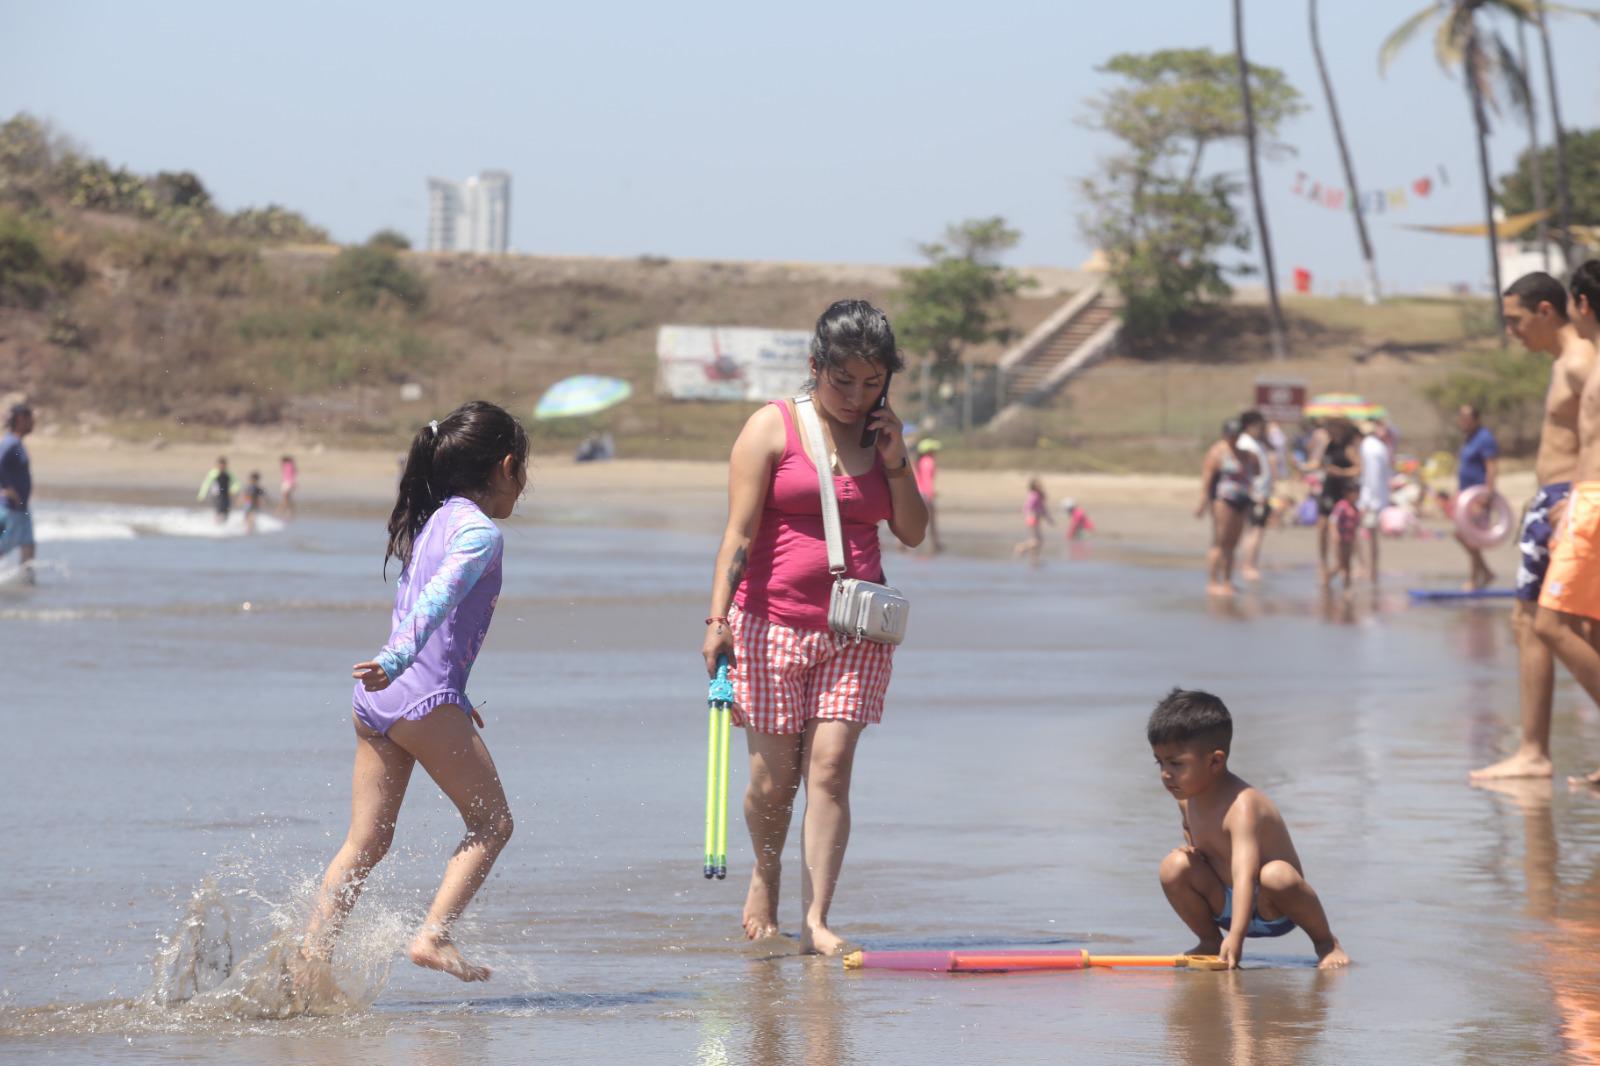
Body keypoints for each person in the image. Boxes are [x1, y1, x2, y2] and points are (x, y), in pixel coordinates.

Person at [701, 299, 927, 956]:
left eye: (873, 382)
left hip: (856, 632)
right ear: (815, 367)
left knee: (829, 768)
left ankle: (818, 918)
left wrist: (896, 459)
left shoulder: (883, 438)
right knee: (775, 782)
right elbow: (738, 535)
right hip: (769, 626)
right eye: (844, 380)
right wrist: (718, 620)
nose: (859, 396)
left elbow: (912, 531)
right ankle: (765, 871)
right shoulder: (771, 428)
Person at [297, 400, 529, 993]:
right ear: (506, 467)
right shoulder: (480, 532)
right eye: (523, 471)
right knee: (493, 823)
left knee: (366, 841)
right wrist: (405, 664)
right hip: (418, 696)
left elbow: (421, 611)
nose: (523, 486)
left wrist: (441, 683)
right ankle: (433, 934)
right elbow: (435, 605)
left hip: (378, 701)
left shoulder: (433, 522)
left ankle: (310, 961)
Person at [1473, 271, 1595, 780]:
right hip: (1559, 501)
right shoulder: (1567, 362)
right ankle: (1533, 750)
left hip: (1570, 502)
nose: (1512, 332)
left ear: (1548, 310)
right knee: (1565, 624)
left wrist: (1570, 500)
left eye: (1516, 320)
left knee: (1538, 623)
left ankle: (1534, 751)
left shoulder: (1580, 360)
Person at [1149, 688, 1349, 970]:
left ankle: (1326, 942)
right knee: (1174, 865)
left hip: (1272, 905)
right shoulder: (1186, 799)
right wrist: (1192, 849)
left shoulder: (1243, 806)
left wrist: (1237, 936)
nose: (1166, 774)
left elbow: (1245, 873)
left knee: (1275, 874)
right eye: (1160, 762)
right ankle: (1209, 941)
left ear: (1215, 761)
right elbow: (1190, 830)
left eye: (1176, 763)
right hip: (1226, 903)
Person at [1534, 261, 1600, 785]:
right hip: (1584, 500)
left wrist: (1578, 503)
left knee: (1549, 623)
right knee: (1581, 625)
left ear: (1581, 304)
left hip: (1594, 505)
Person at [1196, 418, 1256, 597]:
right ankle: (1213, 581)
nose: (1234, 438)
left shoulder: (1244, 453)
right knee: (1220, 540)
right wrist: (1203, 502)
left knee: (1232, 543)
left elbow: (1256, 470)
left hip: (1242, 498)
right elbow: (1207, 479)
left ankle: (1228, 581)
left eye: (1237, 435)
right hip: (1223, 499)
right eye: (1232, 435)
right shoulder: (1217, 452)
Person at [1305, 419, 1360, 588]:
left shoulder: (1348, 449)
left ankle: (1341, 566)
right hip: (1328, 489)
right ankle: (1323, 562)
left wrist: (1341, 472)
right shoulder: (1327, 446)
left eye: (1333, 426)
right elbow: (1316, 462)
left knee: (1342, 532)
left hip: (1343, 492)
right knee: (1322, 526)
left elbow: (1359, 468)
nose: (1330, 430)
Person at [1455, 405, 1501, 590]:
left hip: (1478, 497)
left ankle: (1474, 579)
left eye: (1467, 418)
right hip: (1465, 497)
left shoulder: (1485, 439)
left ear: (1476, 419)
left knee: (1471, 537)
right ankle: (1486, 572)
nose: (1463, 422)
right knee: (1461, 534)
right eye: (1461, 417)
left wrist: (1487, 494)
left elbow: (1491, 466)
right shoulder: (1469, 439)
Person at [1235, 410, 1273, 582]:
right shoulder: (1246, 444)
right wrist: (1257, 493)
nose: (1262, 429)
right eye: (1259, 426)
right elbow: (1248, 472)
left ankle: (1250, 563)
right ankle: (1248, 565)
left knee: (1256, 530)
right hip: (1256, 493)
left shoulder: (1253, 442)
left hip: (1260, 491)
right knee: (1255, 531)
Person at [0, 403, 37, 581]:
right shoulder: (11, 444)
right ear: (22, 419)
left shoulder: (17, 444)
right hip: (10, 509)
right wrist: (7, 488)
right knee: (3, 547)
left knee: (28, 545)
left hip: (21, 508)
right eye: (31, 420)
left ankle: (27, 582)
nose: (34, 424)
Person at [1357, 420, 1394, 585]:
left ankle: (1367, 569)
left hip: (1370, 498)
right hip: (1378, 497)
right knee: (1371, 535)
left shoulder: (1368, 446)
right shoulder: (1380, 447)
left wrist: (1367, 501)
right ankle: (1371, 569)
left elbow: (1371, 476)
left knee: (1365, 534)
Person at [1329, 482, 1361, 589]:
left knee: (1347, 564)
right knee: (1340, 564)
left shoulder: (1355, 508)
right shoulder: (1341, 506)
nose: (1356, 496)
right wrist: (1335, 534)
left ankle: (1347, 587)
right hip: (1340, 540)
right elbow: (1333, 521)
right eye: (1354, 493)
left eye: (1358, 493)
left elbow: (1355, 525)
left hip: (1349, 539)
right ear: (1347, 494)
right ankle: (1327, 579)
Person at [913, 439, 943, 554]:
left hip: (918, 493)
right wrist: (931, 493)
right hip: (925, 494)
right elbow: (927, 480)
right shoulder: (929, 461)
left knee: (916, 519)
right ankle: (936, 543)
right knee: (932, 521)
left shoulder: (919, 461)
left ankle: (901, 543)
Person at [1013, 478, 1052, 562]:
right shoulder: (1034, 495)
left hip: (1036, 518)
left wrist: (1048, 518)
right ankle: (1021, 547)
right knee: (1037, 540)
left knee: (1037, 540)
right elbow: (1028, 506)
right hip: (1033, 518)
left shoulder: (1038, 494)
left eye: (1040, 483)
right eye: (1038, 484)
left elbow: (1043, 508)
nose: (1040, 485)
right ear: (1034, 486)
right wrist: (1029, 514)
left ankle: (1034, 558)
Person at [198, 457, 235, 524]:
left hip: (226, 495)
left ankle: (223, 525)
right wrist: (202, 495)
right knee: (219, 510)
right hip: (217, 495)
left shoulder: (228, 474)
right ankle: (216, 525)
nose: (221, 467)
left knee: (226, 511)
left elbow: (237, 483)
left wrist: (233, 490)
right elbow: (206, 484)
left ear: (226, 465)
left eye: (223, 465)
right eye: (220, 465)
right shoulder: (213, 473)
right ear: (217, 465)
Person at [279, 455, 298, 519]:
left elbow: (291, 475)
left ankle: (282, 512)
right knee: (288, 498)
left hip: (288, 483)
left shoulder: (288, 466)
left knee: (285, 498)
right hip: (287, 483)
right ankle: (289, 512)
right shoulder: (290, 465)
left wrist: (293, 483)